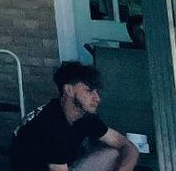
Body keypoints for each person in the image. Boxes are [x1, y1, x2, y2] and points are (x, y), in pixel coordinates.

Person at [10, 61, 139, 171]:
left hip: (65, 165)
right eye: (89, 91)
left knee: (113, 154)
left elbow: (126, 145)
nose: (97, 98)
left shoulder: (83, 115)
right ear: (69, 90)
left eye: (96, 92)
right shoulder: (49, 124)